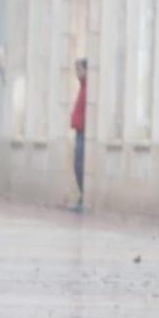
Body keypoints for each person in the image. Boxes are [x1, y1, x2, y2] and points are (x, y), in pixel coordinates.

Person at [70, 57, 88, 211]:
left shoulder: (88, 88)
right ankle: (82, 196)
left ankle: (84, 196)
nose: (77, 73)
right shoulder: (82, 87)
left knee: (80, 164)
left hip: (83, 132)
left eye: (79, 69)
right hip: (78, 131)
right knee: (77, 164)